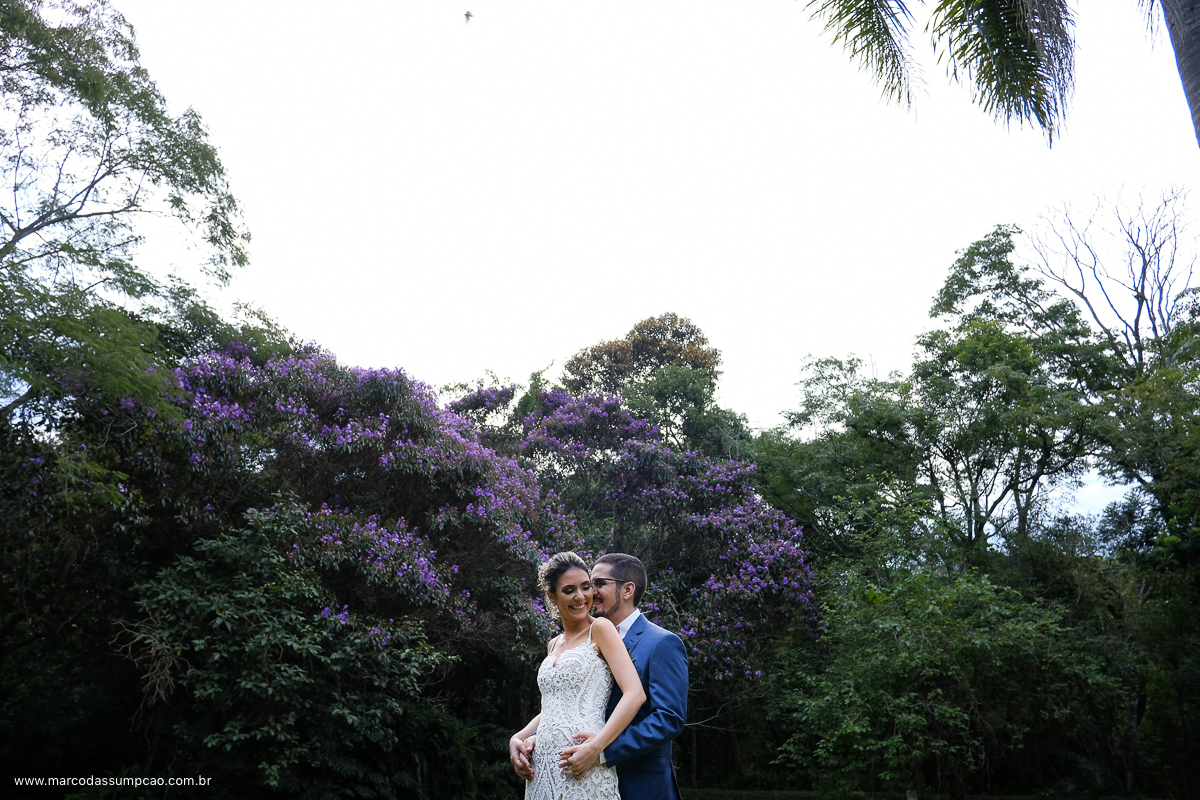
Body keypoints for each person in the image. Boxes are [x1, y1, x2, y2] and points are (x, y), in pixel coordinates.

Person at [512, 552, 688, 800]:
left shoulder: (661, 643)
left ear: (627, 590)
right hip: (567, 770)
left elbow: (668, 718)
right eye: (589, 584)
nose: (590, 593)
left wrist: (603, 751)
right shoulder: (567, 641)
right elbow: (567, 703)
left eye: (597, 584)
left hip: (638, 781)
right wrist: (529, 737)